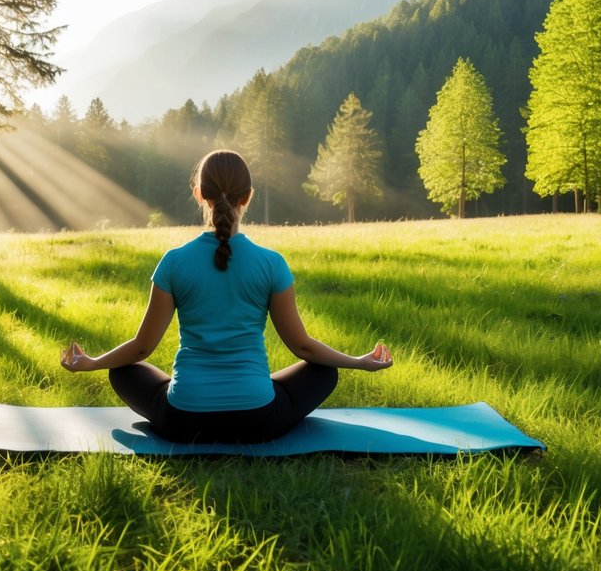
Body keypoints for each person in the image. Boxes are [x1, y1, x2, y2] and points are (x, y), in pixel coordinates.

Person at [60, 149, 392, 444]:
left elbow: (142, 347)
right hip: (259, 421)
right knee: (323, 371)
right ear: (247, 197)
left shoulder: (174, 262)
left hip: (183, 422)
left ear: (199, 194)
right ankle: (251, 388)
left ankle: (223, 392)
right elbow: (302, 346)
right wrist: (358, 362)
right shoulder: (271, 263)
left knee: (123, 370)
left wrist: (92, 363)